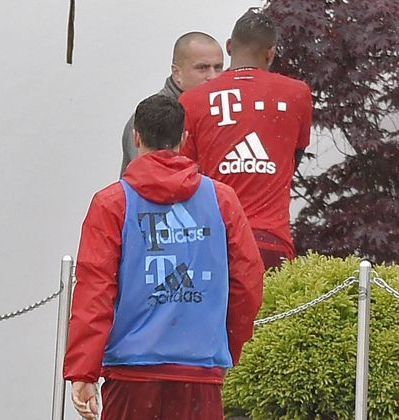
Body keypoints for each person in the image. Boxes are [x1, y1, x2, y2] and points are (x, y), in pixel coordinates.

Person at [64, 94, 264, 420]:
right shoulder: (221, 199)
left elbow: (95, 290)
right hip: (198, 370)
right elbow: (247, 281)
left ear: (136, 137)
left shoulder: (111, 203)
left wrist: (84, 370)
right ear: (184, 139)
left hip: (130, 373)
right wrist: (227, 348)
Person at [179, 9, 313, 270]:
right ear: (270, 52)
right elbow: (294, 156)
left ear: (229, 46)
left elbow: (187, 173)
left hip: (215, 239)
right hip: (271, 239)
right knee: (275, 311)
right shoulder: (297, 93)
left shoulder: (191, 101)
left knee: (219, 312)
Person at [119, 32, 224, 175]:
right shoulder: (151, 117)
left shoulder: (221, 111)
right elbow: (150, 179)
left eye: (218, 67)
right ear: (177, 73)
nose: (213, 77)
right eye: (202, 68)